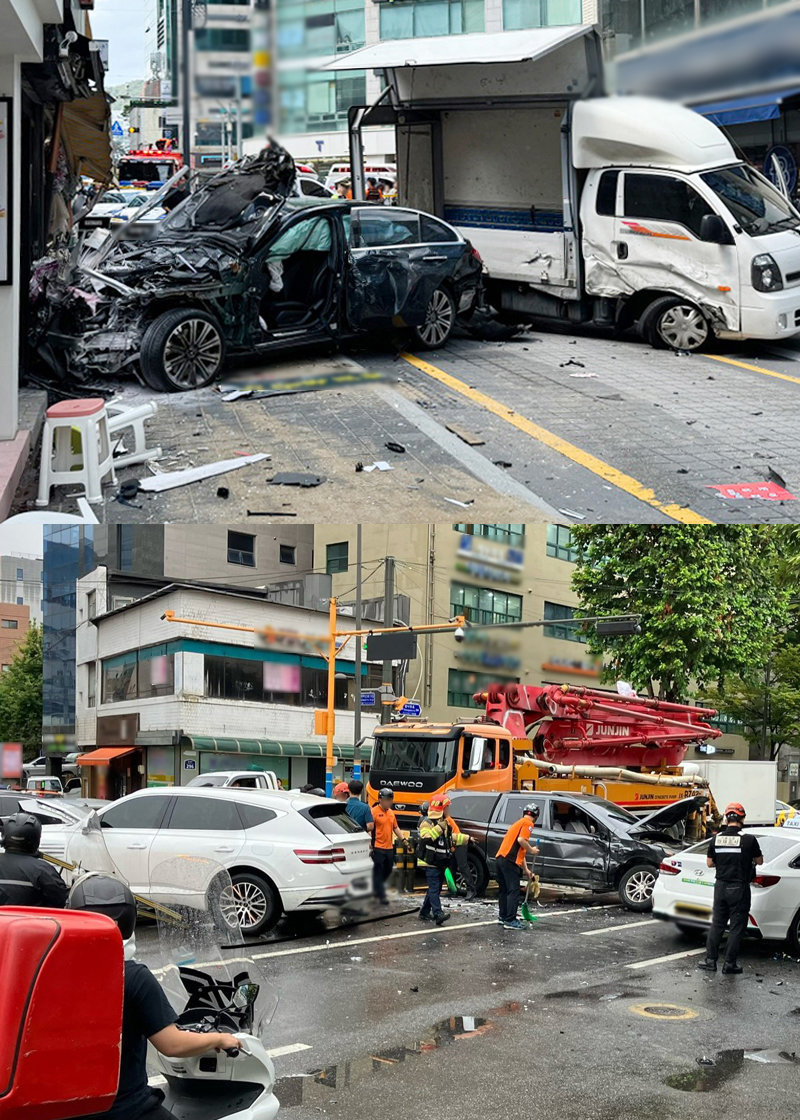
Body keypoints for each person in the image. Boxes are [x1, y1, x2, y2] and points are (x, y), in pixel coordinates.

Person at [68, 874, 241, 1120]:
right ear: (130, 919)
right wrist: (219, 1039)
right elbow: (172, 1044)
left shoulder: (50, 971)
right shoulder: (134, 977)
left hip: (64, 1109)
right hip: (125, 1108)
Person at [697, 802, 763, 975]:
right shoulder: (748, 840)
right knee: (736, 927)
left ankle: (710, 961)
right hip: (739, 888)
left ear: (726, 818)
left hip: (720, 886)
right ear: (743, 818)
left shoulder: (716, 838)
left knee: (717, 924)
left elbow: (710, 863)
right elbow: (759, 861)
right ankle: (729, 964)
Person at [0, 813, 68, 908]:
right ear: (36, 839)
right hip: (32, 921)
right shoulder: (43, 870)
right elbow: (60, 900)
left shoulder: (43, 870)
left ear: (4, 836)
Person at [495, 804, 540, 930]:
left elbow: (520, 851)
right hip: (509, 861)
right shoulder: (528, 824)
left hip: (500, 859)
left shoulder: (517, 823)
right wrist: (532, 849)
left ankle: (503, 916)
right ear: (536, 816)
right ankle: (510, 920)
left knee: (504, 890)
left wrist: (526, 870)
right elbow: (521, 840)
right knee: (513, 890)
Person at [417, 795, 454, 926]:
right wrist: (440, 828)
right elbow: (426, 837)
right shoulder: (427, 822)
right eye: (447, 807)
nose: (449, 810)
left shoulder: (444, 823)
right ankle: (438, 914)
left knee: (435, 888)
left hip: (440, 862)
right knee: (434, 888)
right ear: (441, 808)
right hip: (430, 862)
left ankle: (424, 912)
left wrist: (466, 839)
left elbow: (449, 840)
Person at [371, 787, 405, 904]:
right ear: (380, 800)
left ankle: (377, 889)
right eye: (386, 799)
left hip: (389, 848)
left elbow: (395, 827)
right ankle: (380, 895)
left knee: (388, 870)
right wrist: (370, 846)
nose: (389, 802)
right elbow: (370, 829)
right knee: (378, 872)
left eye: (390, 800)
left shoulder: (391, 813)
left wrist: (403, 839)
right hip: (378, 847)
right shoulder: (374, 812)